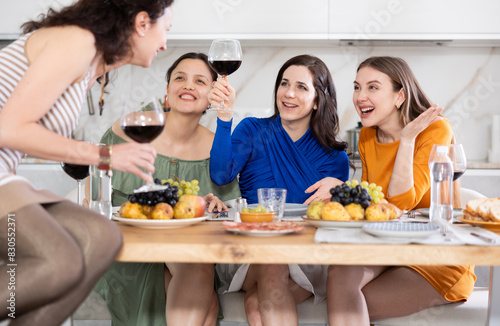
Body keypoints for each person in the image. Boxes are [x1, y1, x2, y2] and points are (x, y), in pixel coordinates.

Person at [0, 0, 174, 325]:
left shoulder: (93, 65)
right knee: (59, 261)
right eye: (166, 29)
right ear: (141, 23)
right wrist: (105, 155)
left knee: (102, 237)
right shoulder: (78, 40)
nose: (165, 42)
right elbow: (8, 128)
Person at [93, 52, 241, 326]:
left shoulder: (216, 146)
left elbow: (228, 212)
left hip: (189, 250)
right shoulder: (133, 128)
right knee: (203, 295)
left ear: (213, 94)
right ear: (167, 90)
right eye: (180, 78)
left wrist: (211, 204)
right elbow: (97, 189)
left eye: (199, 81)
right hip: (131, 248)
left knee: (197, 271)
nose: (187, 85)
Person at [326, 56, 476, 325]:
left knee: (347, 304)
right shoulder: (367, 135)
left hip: (437, 254)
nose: (360, 96)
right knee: (338, 277)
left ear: (400, 96)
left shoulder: (435, 129)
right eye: (357, 87)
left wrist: (407, 140)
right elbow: (379, 207)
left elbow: (403, 201)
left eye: (373, 87)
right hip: (389, 245)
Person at [209, 54, 350, 325]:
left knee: (255, 303)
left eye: (301, 87)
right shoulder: (252, 130)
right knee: (271, 258)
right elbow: (220, 174)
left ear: (318, 100)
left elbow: (331, 219)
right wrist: (225, 117)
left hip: (306, 254)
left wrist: (341, 191)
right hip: (251, 250)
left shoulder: (334, 157)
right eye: (284, 83)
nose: (288, 93)